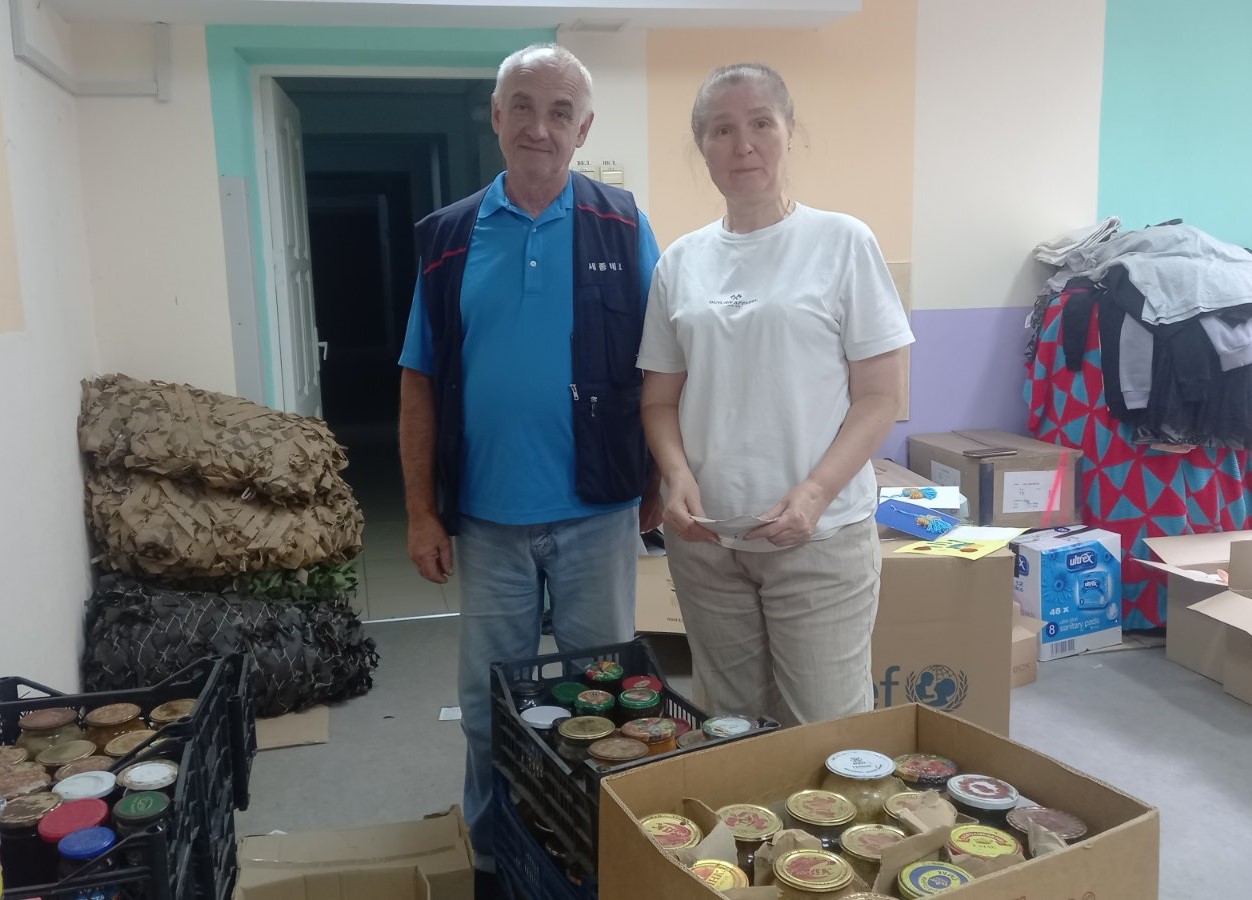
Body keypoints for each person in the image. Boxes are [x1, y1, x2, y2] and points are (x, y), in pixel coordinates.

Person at [397, 43, 661, 878]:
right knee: (489, 708)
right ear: (496, 115)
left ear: (584, 127)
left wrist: (660, 479)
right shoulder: (447, 238)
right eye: (522, 106)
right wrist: (421, 511)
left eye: (559, 111)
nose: (539, 127)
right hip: (488, 520)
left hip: (598, 514)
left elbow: (663, 366)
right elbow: (419, 382)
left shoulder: (624, 223)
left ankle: (600, 857)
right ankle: (495, 858)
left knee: (606, 699)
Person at [638, 63, 913, 727]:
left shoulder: (842, 242)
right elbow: (659, 399)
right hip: (707, 540)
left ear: (790, 132)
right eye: (722, 130)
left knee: (827, 726)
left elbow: (881, 396)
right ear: (702, 146)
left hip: (818, 540)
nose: (744, 145)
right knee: (731, 724)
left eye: (761, 123)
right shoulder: (680, 262)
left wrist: (815, 493)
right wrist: (676, 476)